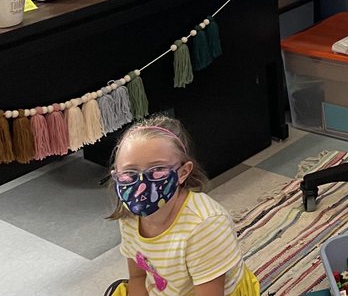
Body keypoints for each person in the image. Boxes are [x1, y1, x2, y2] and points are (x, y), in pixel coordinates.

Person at [105, 116, 259, 296]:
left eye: (157, 170)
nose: (141, 185)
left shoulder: (205, 225)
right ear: (117, 175)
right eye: (130, 173)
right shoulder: (129, 215)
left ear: (183, 172)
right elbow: (138, 278)